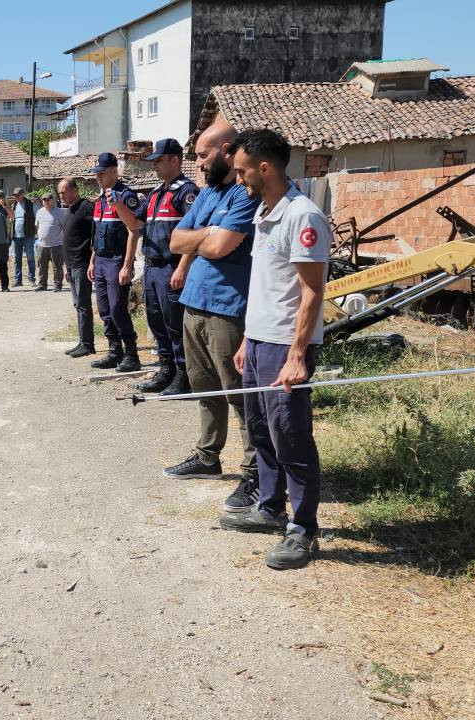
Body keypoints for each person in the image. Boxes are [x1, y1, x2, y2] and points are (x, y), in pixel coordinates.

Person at [217, 129, 330, 570]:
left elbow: (311, 292)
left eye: (243, 170)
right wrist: (248, 337)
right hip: (260, 341)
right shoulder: (266, 214)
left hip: (286, 346)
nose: (239, 178)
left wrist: (298, 355)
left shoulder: (303, 217)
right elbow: (267, 288)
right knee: (261, 430)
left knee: (291, 436)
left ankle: (303, 529)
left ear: (265, 168)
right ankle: (269, 506)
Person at [162, 120, 260, 507]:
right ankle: (208, 457)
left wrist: (205, 236)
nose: (198, 164)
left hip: (229, 308)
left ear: (227, 149)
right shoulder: (208, 193)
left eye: (203, 155)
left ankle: (254, 474)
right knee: (205, 389)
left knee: (239, 394)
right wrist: (210, 233)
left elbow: (221, 248)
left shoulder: (246, 193)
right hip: (195, 303)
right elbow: (175, 240)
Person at [125, 138, 198, 396]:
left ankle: (183, 374)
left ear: (175, 160)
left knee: (175, 323)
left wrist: (183, 268)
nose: (154, 166)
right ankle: (166, 369)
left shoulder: (186, 192)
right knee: (156, 321)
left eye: (158, 161)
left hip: (172, 266)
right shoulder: (156, 193)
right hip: (152, 267)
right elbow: (135, 224)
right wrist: (117, 205)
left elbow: (195, 233)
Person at [88, 152, 143, 372]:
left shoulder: (125, 196)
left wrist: (127, 265)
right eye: (96, 174)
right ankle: (114, 351)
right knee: (103, 309)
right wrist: (92, 261)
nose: (98, 177)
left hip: (117, 260)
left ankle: (131, 353)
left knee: (117, 308)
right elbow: (97, 234)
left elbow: (134, 230)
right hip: (101, 260)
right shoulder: (101, 200)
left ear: (114, 171)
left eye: (102, 173)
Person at [58, 177, 96, 357]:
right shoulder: (69, 211)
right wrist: (66, 266)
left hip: (82, 264)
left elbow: (98, 230)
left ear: (74, 190)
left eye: (64, 192)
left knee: (83, 305)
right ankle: (82, 341)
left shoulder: (86, 207)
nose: (61, 196)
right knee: (77, 305)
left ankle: (88, 344)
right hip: (71, 266)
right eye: (59, 192)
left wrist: (93, 260)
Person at [34, 193, 66, 291]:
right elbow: (37, 226)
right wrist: (39, 239)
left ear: (53, 200)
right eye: (44, 200)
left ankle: (57, 285)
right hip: (42, 245)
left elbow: (64, 227)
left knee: (57, 266)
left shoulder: (59, 212)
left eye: (48, 200)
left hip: (56, 245)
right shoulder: (39, 212)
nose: (46, 202)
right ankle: (42, 285)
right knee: (42, 266)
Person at [10, 187, 37, 287]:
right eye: (14, 195)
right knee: (17, 259)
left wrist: (37, 232)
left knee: (30, 258)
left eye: (17, 195)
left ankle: (31, 279)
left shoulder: (30, 204)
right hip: (16, 237)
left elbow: (37, 217)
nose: (15, 197)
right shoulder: (14, 205)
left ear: (22, 194)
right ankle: (18, 280)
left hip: (28, 235)